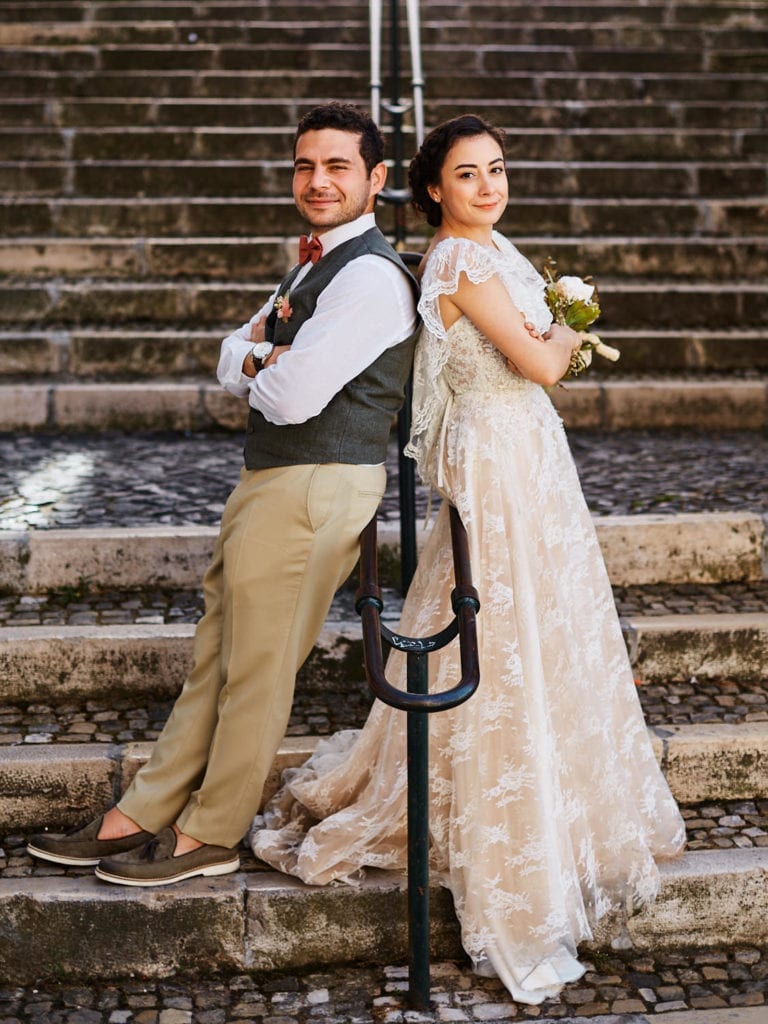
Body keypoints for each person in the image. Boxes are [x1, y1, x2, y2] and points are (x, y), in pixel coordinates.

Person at [248, 115, 686, 1004]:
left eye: (496, 169)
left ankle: (559, 799)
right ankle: (506, 837)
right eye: (467, 174)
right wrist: (568, 324)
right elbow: (542, 365)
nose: (488, 186)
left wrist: (560, 322)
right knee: (507, 622)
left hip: (524, 450)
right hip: (501, 455)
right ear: (432, 189)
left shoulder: (487, 245)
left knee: (534, 622)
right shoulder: (459, 261)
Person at [26, 102, 420, 886]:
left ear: (376, 179)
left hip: (316, 483)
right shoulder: (314, 264)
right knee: (216, 660)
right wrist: (257, 359)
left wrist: (257, 363)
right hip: (273, 480)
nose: (318, 180)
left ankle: (211, 832)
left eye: (338, 166)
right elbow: (229, 352)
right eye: (306, 164)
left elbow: (295, 393)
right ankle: (141, 812)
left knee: (258, 670)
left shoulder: (372, 277)